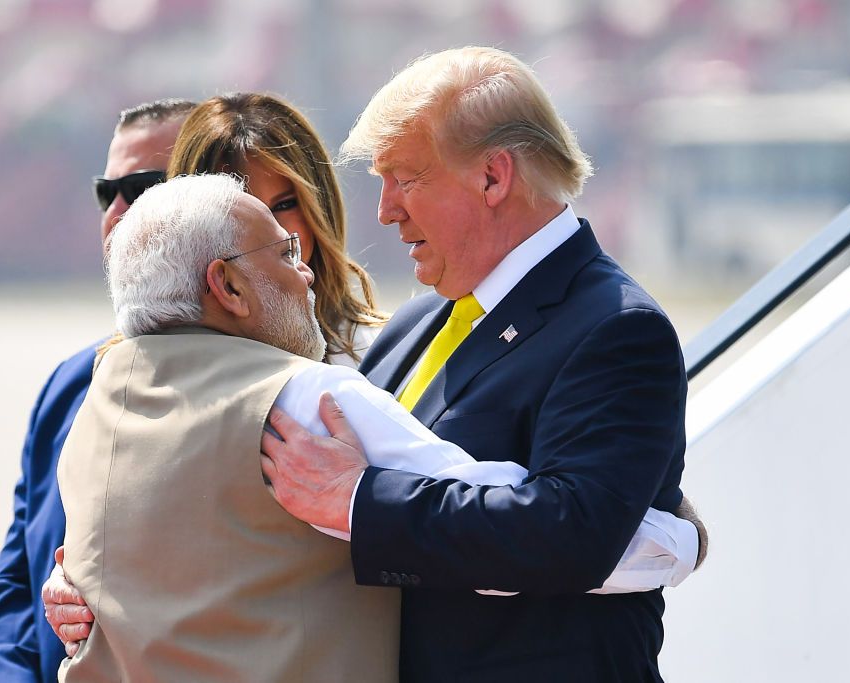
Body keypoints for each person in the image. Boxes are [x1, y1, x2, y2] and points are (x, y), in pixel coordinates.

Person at [55, 173, 698, 682]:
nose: (305, 269)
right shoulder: (306, 401)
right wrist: (676, 534)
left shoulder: (97, 409)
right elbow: (538, 531)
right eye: (284, 251)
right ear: (227, 286)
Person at [258, 46, 701, 681]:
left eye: (405, 179)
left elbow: (570, 534)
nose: (385, 210)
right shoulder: (413, 325)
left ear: (494, 177)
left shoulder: (618, 329)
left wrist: (359, 499)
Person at [0, 98, 196, 683]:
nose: (117, 213)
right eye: (106, 192)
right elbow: (14, 579)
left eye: (143, 187)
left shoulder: (279, 386)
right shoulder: (71, 382)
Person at [166, 92, 389, 367]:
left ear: (321, 208)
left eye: (284, 205)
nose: (272, 232)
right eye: (240, 212)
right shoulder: (139, 371)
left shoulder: (382, 359)